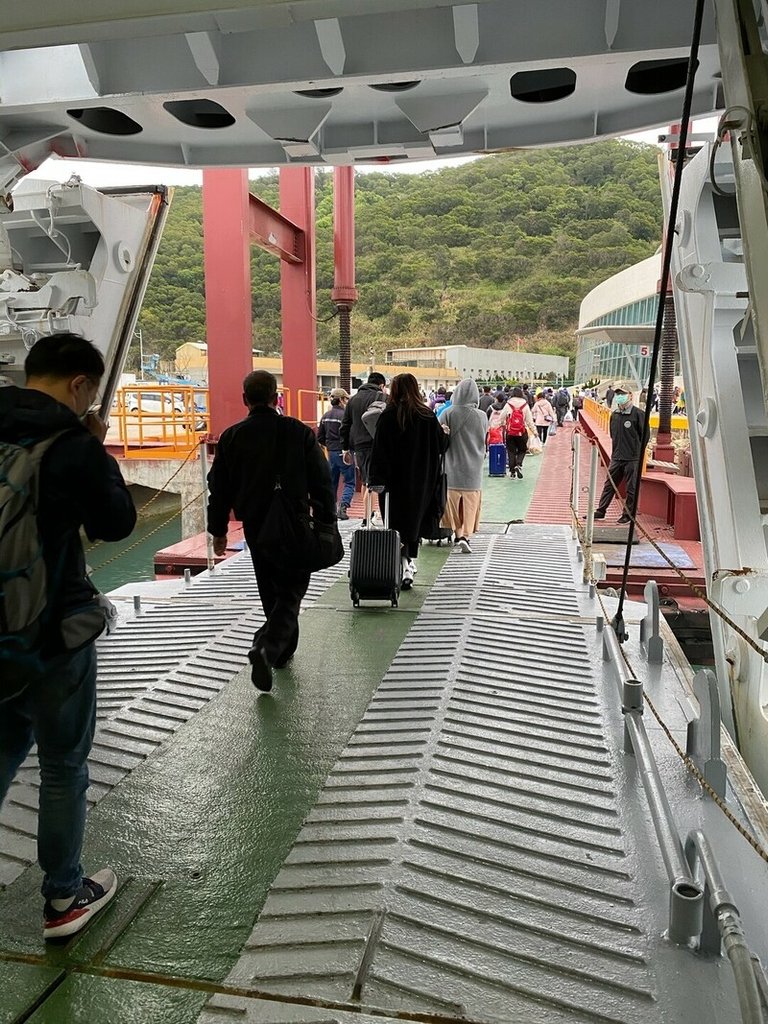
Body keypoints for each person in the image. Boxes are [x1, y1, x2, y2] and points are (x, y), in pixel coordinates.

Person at [0, 332, 137, 940]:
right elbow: (116, 523)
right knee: (62, 767)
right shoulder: (72, 443)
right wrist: (92, 446)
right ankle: (63, 899)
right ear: (80, 384)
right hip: (54, 634)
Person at [207, 370, 336, 692]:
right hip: (294, 523)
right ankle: (267, 647)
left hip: (256, 526)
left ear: (245, 399)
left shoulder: (232, 437)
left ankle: (280, 654)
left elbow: (218, 489)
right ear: (275, 398)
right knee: (291, 593)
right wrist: (326, 518)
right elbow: (320, 480)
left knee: (270, 589)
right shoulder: (297, 432)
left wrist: (218, 530)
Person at [369, 373, 447, 589]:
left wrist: (376, 479)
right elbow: (441, 446)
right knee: (414, 523)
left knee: (395, 524)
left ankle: (403, 562)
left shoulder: (388, 416)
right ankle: (408, 563)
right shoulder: (427, 416)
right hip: (422, 482)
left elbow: (379, 452)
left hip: (393, 484)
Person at [437, 379, 487, 553]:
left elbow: (439, 439)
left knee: (453, 506)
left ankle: (459, 535)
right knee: (470, 505)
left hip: (452, 467)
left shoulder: (447, 413)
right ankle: (466, 535)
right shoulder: (482, 416)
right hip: (474, 469)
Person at [592, 383, 644, 523]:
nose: (620, 397)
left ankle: (627, 515)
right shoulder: (615, 415)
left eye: (623, 394)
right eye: (618, 394)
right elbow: (612, 434)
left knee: (631, 488)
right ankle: (601, 510)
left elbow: (644, 436)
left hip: (632, 458)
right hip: (617, 456)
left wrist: (636, 452)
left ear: (630, 396)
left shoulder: (638, 414)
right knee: (609, 485)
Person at [340, 371, 386, 526]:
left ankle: (368, 516)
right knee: (374, 482)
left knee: (367, 482)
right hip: (377, 445)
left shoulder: (353, 400)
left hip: (359, 447)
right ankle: (368, 516)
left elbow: (345, 426)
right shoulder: (382, 397)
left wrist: (345, 449)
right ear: (381, 385)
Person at [317, 388, 355, 520]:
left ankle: (330, 510)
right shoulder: (345, 416)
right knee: (350, 482)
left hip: (331, 453)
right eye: (346, 399)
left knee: (332, 482)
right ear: (341, 400)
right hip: (345, 453)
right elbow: (350, 435)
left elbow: (320, 437)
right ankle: (343, 508)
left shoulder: (325, 416)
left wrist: (329, 446)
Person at [505, 386, 535, 479]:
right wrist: (534, 431)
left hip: (510, 432)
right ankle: (519, 464)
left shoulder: (508, 404)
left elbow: (502, 417)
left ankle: (512, 471)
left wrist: (497, 425)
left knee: (511, 451)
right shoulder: (525, 405)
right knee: (522, 449)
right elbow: (529, 420)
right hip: (522, 432)